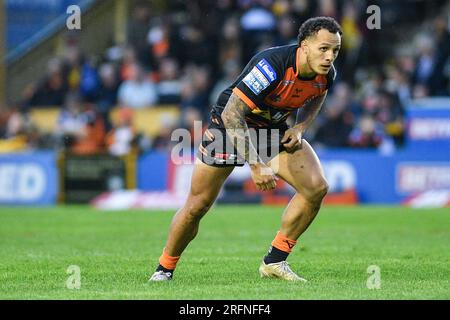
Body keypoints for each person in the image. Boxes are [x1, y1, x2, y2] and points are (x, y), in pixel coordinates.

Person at [150, 17, 342, 282]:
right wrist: (256, 164)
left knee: (316, 188)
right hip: (229, 126)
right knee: (197, 206)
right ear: (304, 46)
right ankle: (164, 269)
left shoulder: (326, 74)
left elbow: (317, 95)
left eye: (335, 50)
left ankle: (274, 261)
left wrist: (301, 127)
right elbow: (232, 114)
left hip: (270, 129)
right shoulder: (272, 65)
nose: (330, 56)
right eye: (323, 48)